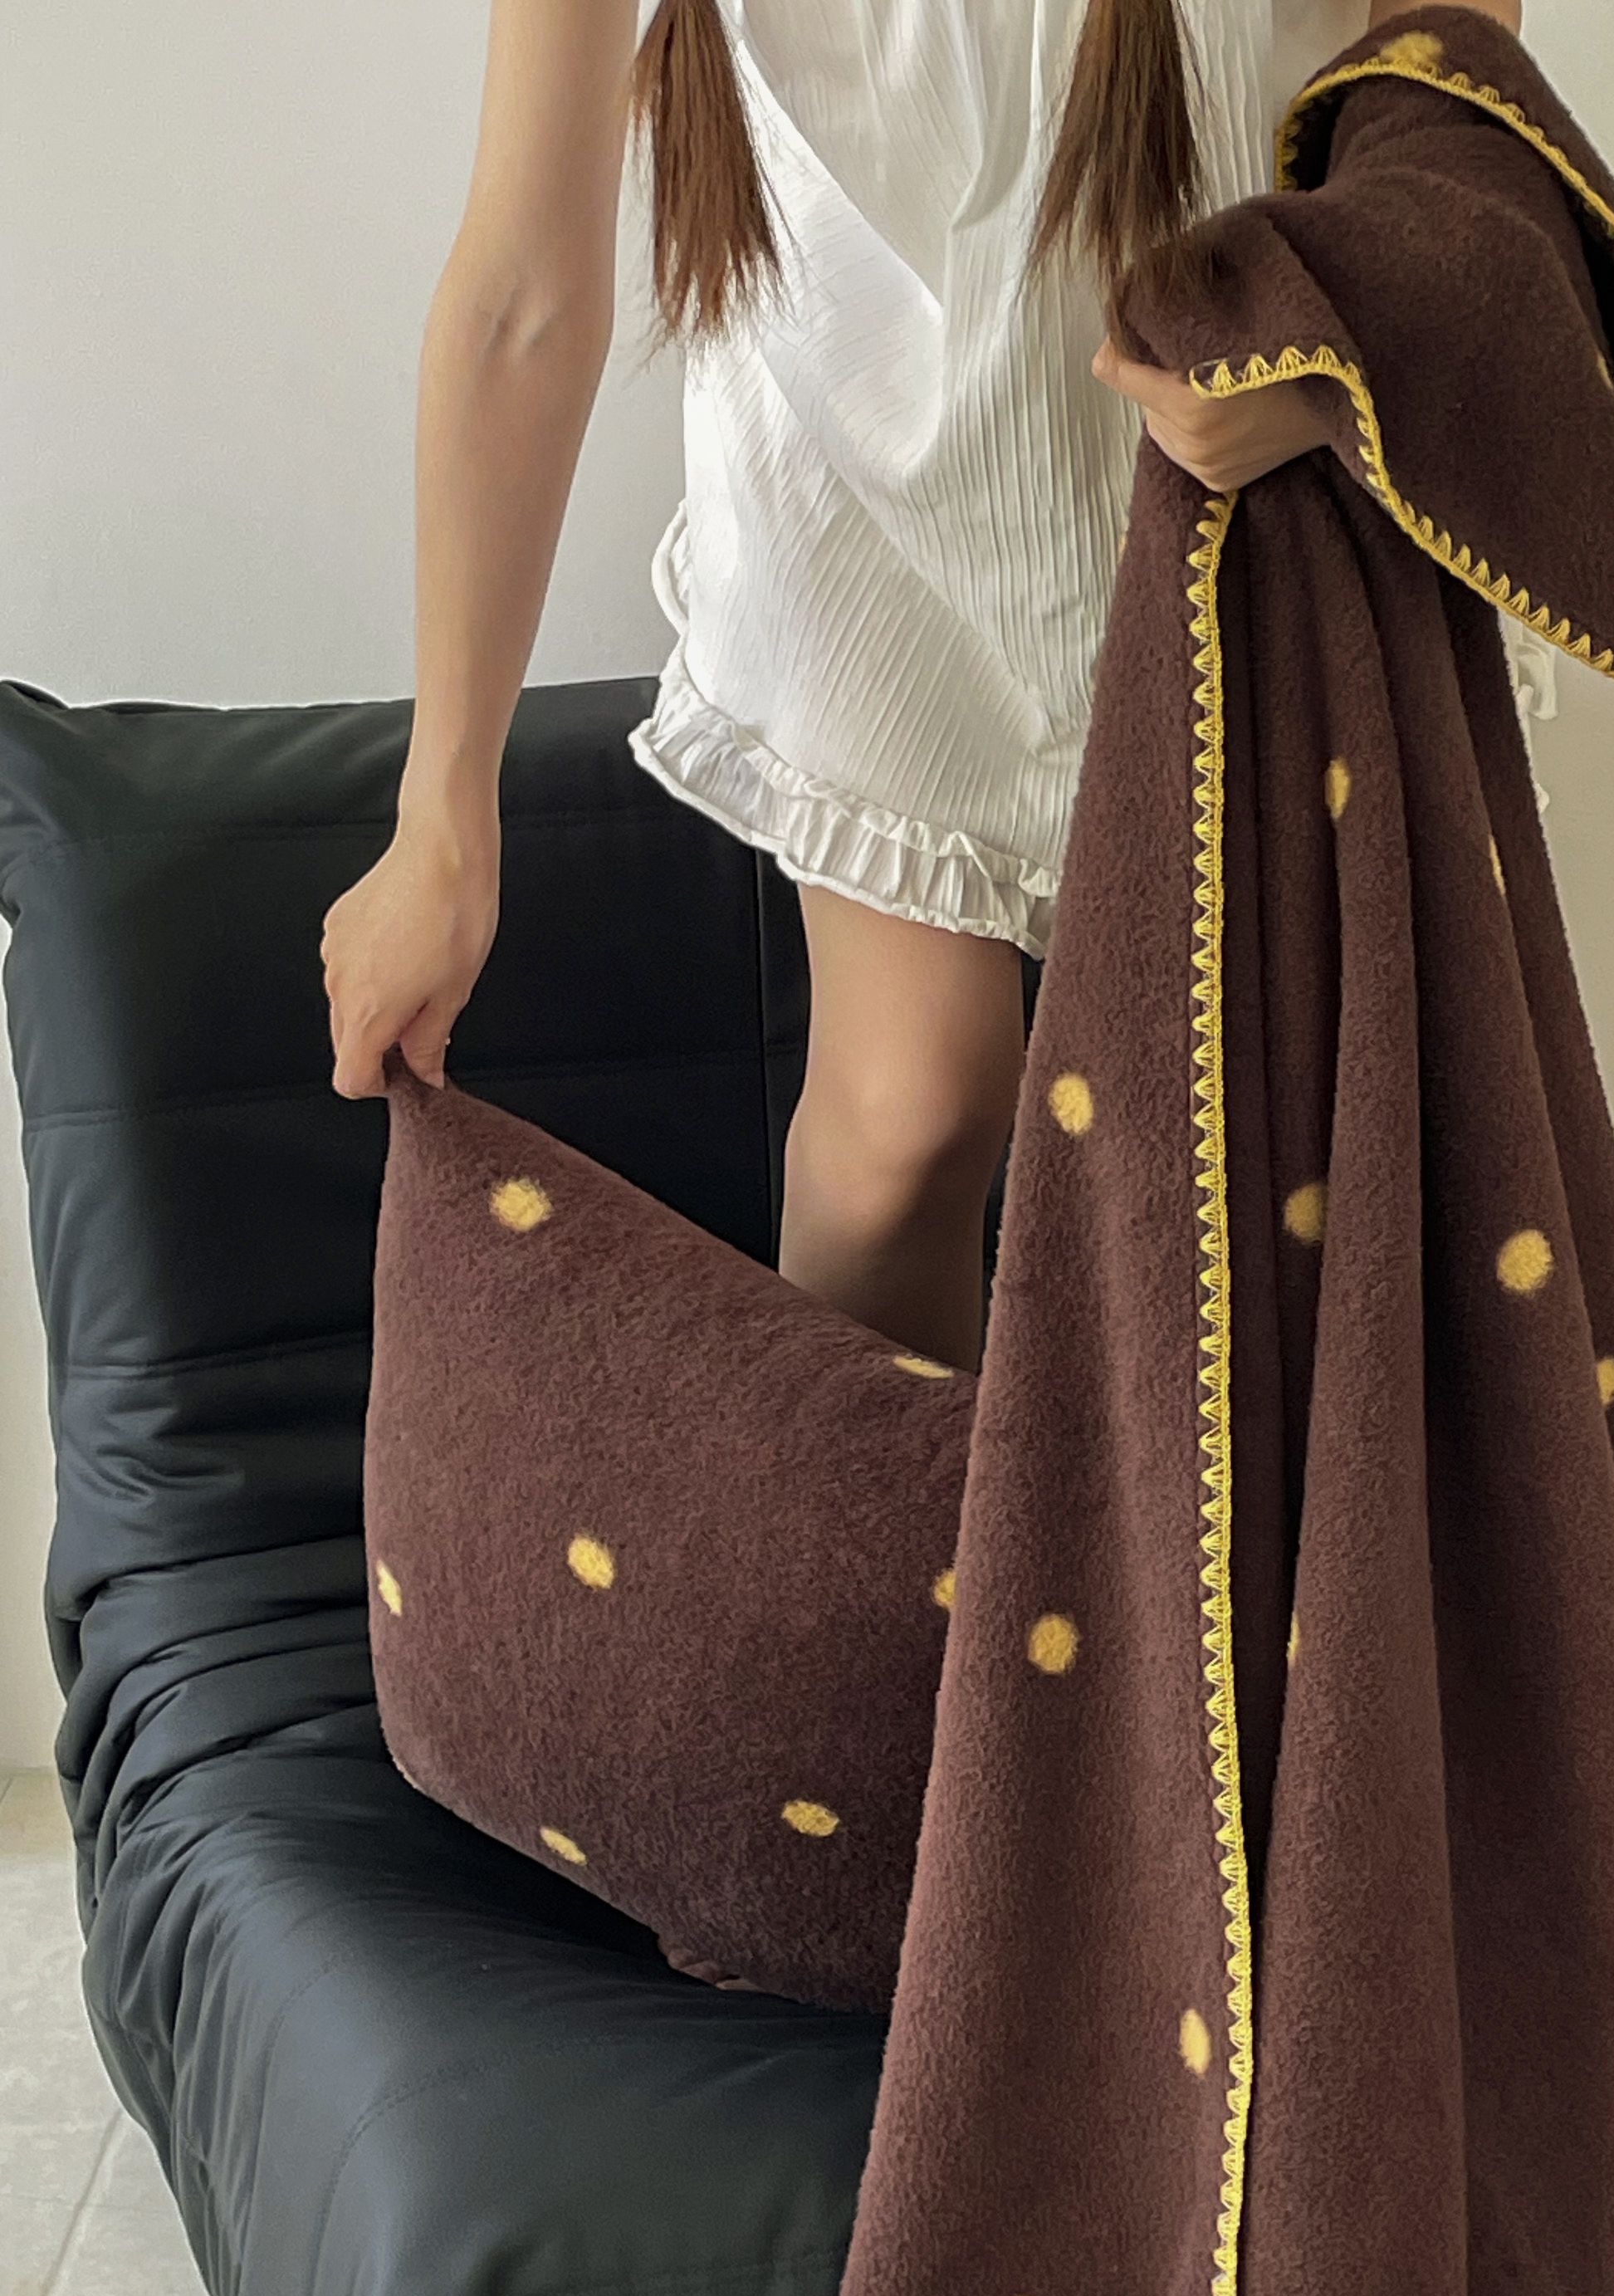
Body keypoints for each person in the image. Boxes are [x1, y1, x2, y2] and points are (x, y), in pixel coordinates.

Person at [320, 0, 1518, 1373]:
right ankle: (871, 1518)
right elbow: (522, 294)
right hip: (845, 444)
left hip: (1232, 451)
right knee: (906, 1113)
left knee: (1270, 1149)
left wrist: (1329, 379)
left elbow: (1452, 102)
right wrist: (441, 817)